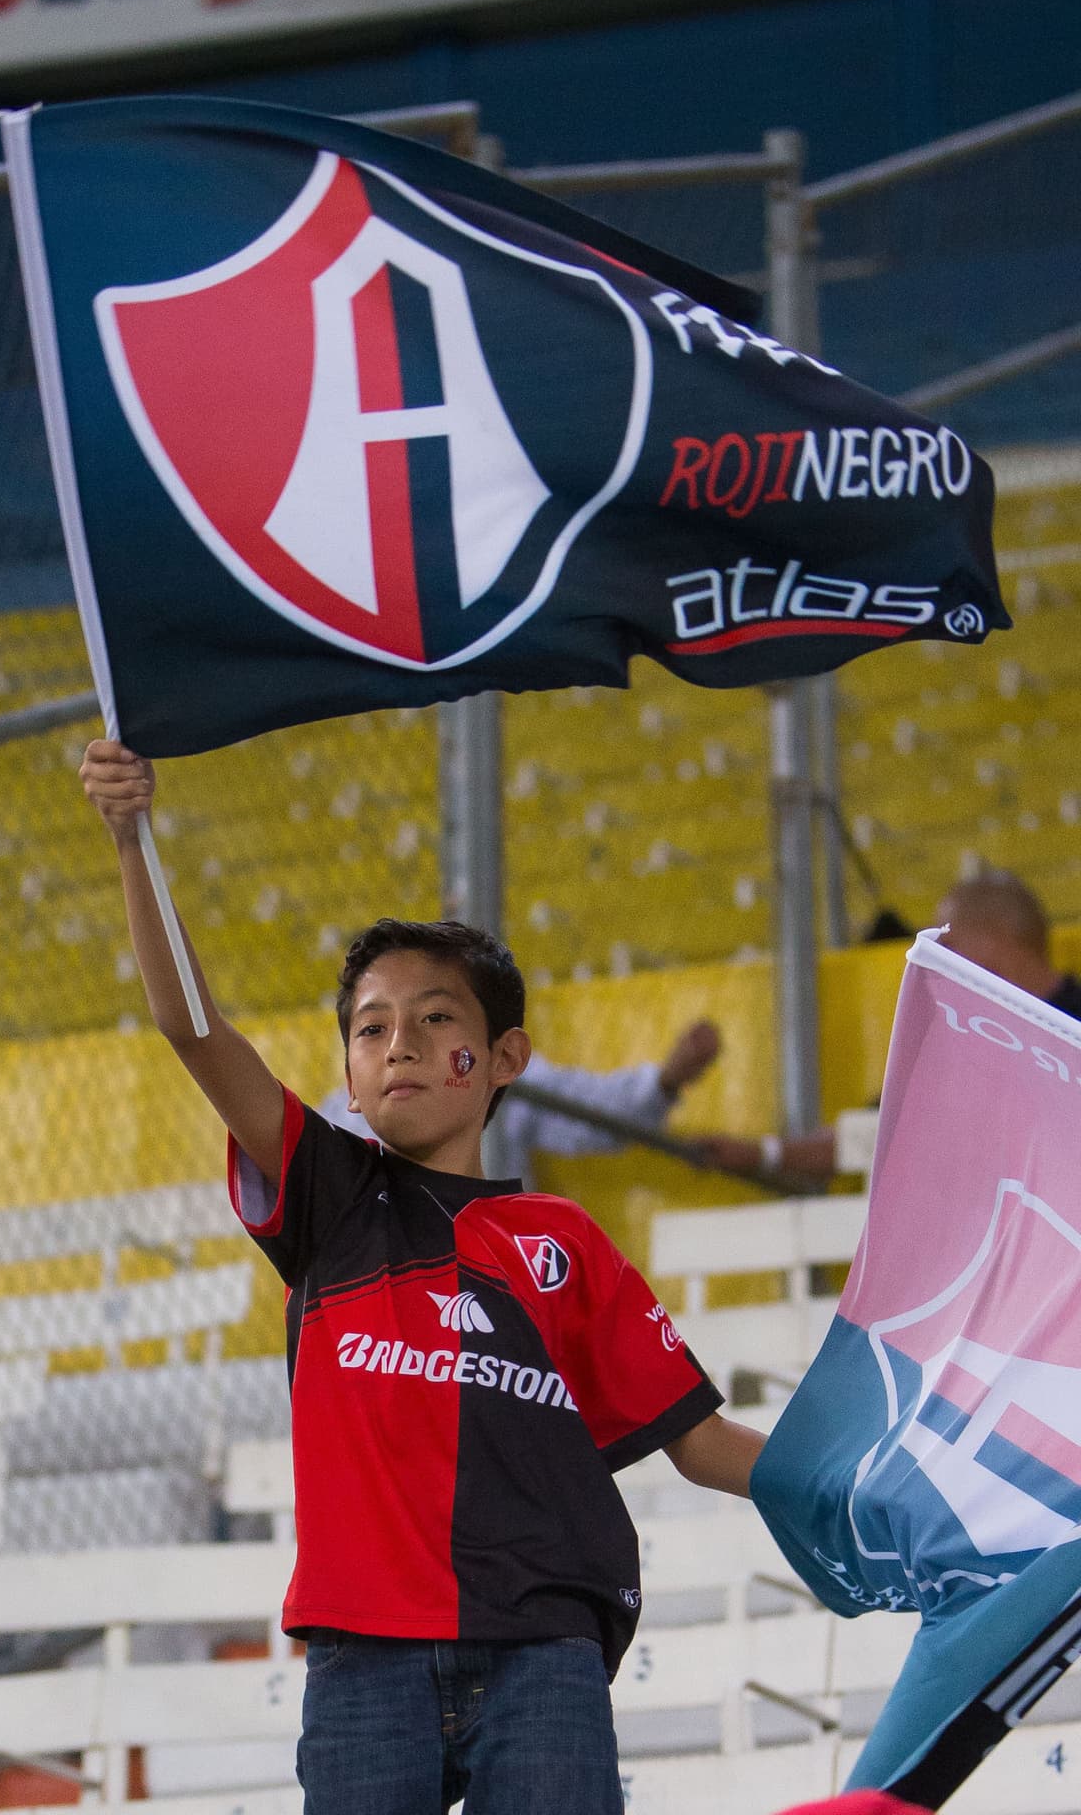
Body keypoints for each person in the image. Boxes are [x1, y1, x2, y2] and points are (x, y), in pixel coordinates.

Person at [80, 738, 765, 1815]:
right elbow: (190, 1028)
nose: (397, 1042)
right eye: (369, 1027)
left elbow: (700, 1444)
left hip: (545, 1647)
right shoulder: (326, 1192)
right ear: (348, 1077)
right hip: (363, 1662)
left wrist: (855, 1491)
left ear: (503, 1058)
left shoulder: (563, 1238)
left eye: (435, 1018)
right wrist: (132, 841)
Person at [684, 869, 1081, 1195]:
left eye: (951, 943)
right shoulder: (958, 1043)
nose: (942, 961)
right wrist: (764, 1154)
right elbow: (876, 1129)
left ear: (999, 939)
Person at [317, 1020, 723, 1187]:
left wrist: (667, 1081)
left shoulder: (491, 1078)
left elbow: (590, 1113)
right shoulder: (338, 1124)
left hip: (491, 1277)